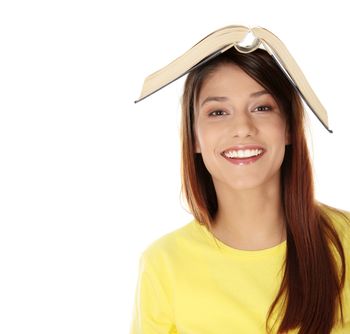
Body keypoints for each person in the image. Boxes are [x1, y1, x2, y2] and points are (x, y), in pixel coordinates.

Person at [129, 46, 350, 333]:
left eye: (262, 107)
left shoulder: (344, 240)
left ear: (288, 128)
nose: (242, 127)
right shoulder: (163, 264)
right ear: (194, 137)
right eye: (218, 112)